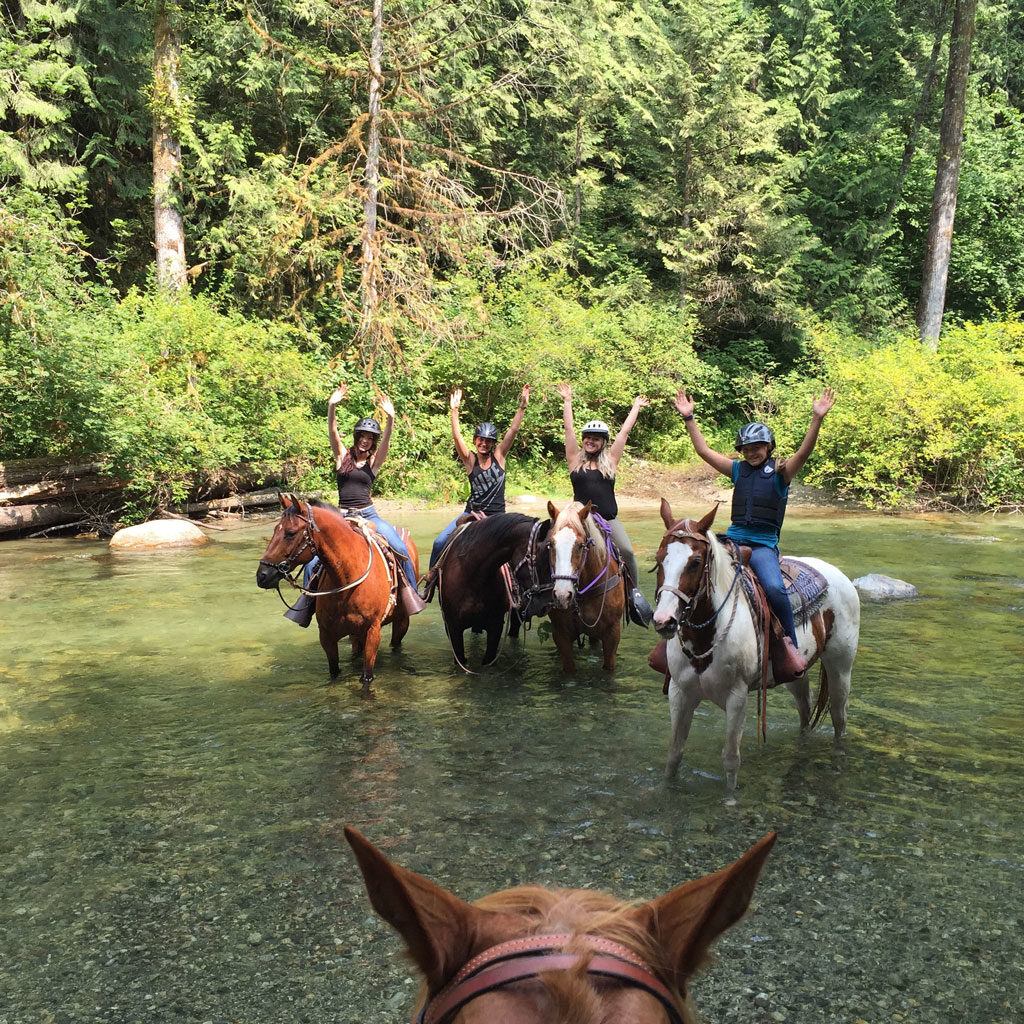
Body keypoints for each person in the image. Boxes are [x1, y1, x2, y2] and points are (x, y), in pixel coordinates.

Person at [672, 386, 837, 678]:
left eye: (757, 447)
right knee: (691, 568)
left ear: (769, 448)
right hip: (732, 539)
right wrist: (689, 418)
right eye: (746, 448)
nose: (751, 452)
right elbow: (703, 451)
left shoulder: (781, 473)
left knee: (773, 588)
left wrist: (817, 419)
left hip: (762, 546)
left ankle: (789, 648)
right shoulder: (737, 470)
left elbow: (805, 451)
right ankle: (676, 641)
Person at [285, 383, 425, 626]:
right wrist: (332, 406)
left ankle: (411, 594)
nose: (366, 441)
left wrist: (390, 419)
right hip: (341, 516)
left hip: (369, 514)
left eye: (370, 439)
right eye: (362, 436)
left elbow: (387, 445)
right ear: (356, 437)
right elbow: (332, 431)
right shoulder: (343, 457)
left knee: (398, 547)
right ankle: (307, 603)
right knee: (314, 561)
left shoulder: (374, 462)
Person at [556, 382, 654, 627]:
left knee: (629, 552)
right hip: (581, 521)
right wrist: (567, 401)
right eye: (587, 438)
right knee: (555, 546)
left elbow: (624, 433)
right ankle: (547, 591)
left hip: (607, 520)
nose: (590, 441)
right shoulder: (574, 460)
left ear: (603, 443)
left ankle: (633, 596)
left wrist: (636, 407)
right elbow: (568, 430)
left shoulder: (610, 461)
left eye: (596, 439)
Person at [420, 385, 530, 595]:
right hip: (471, 514)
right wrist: (454, 411)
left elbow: (513, 431)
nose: (484, 444)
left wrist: (522, 406)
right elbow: (457, 438)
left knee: (520, 545)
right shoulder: (471, 461)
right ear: (476, 441)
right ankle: (431, 580)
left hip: (498, 517)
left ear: (493, 444)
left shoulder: (499, 457)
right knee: (439, 541)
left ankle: (521, 590)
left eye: (488, 441)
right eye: (481, 440)